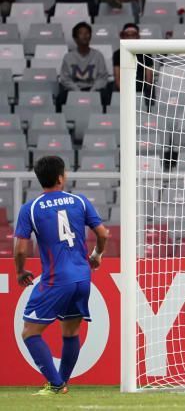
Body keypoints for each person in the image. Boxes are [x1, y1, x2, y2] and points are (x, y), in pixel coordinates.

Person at [14, 156, 109, 395]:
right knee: (71, 332)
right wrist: (96, 254)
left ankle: (56, 383)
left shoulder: (31, 208)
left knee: (30, 332)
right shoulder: (79, 201)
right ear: (60, 177)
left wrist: (20, 270)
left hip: (56, 279)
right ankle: (61, 383)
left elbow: (20, 249)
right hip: (82, 278)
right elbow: (103, 233)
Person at [58, 21, 110, 108]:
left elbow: (102, 77)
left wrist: (93, 90)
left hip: (94, 88)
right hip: (74, 89)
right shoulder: (68, 57)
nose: (85, 36)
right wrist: (77, 91)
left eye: (87, 33)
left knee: (106, 96)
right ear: (75, 38)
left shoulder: (98, 55)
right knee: (61, 98)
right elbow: (65, 79)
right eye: (81, 34)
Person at [113, 23, 154, 104]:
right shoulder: (117, 54)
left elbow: (149, 80)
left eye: (133, 35)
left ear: (138, 37)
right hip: (124, 89)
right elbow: (117, 79)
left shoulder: (146, 54)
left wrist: (139, 94)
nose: (130, 38)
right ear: (123, 37)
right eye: (127, 35)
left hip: (142, 90)